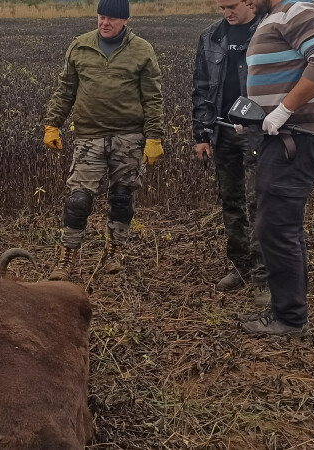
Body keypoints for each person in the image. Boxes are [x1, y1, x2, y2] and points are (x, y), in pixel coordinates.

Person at [238, 0, 314, 336]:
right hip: (279, 138)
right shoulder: (272, 18)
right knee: (280, 226)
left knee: (277, 227)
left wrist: (283, 109)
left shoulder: (299, 10)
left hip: (297, 139)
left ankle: (290, 318)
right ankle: (287, 309)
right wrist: (253, 115)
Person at [43, 0, 165, 281]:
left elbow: (153, 98)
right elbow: (65, 89)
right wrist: (52, 124)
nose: (104, 23)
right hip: (89, 136)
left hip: (129, 137)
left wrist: (154, 137)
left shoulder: (142, 51)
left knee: (121, 196)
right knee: (78, 200)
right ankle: (67, 257)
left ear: (125, 21)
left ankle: (114, 251)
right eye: (101, 16)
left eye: (111, 18)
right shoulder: (80, 46)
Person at [191, 0, 267, 301]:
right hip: (222, 131)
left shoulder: (268, 31)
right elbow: (201, 88)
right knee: (231, 201)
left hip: (258, 132)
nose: (227, 12)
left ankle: (264, 275)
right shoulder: (210, 37)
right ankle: (241, 266)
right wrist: (201, 134)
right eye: (222, 7)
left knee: (258, 202)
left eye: (232, 5)